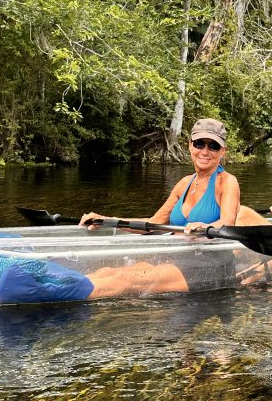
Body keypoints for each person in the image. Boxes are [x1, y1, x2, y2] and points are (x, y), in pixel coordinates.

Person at [79, 118, 241, 297]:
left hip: (209, 265)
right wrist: (108, 221)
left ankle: (60, 292)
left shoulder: (227, 182)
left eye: (213, 146)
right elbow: (153, 223)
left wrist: (206, 227)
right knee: (108, 272)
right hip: (177, 257)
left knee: (124, 280)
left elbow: (228, 223)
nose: (204, 151)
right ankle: (55, 281)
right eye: (199, 143)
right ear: (190, 145)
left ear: (223, 151)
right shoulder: (184, 184)